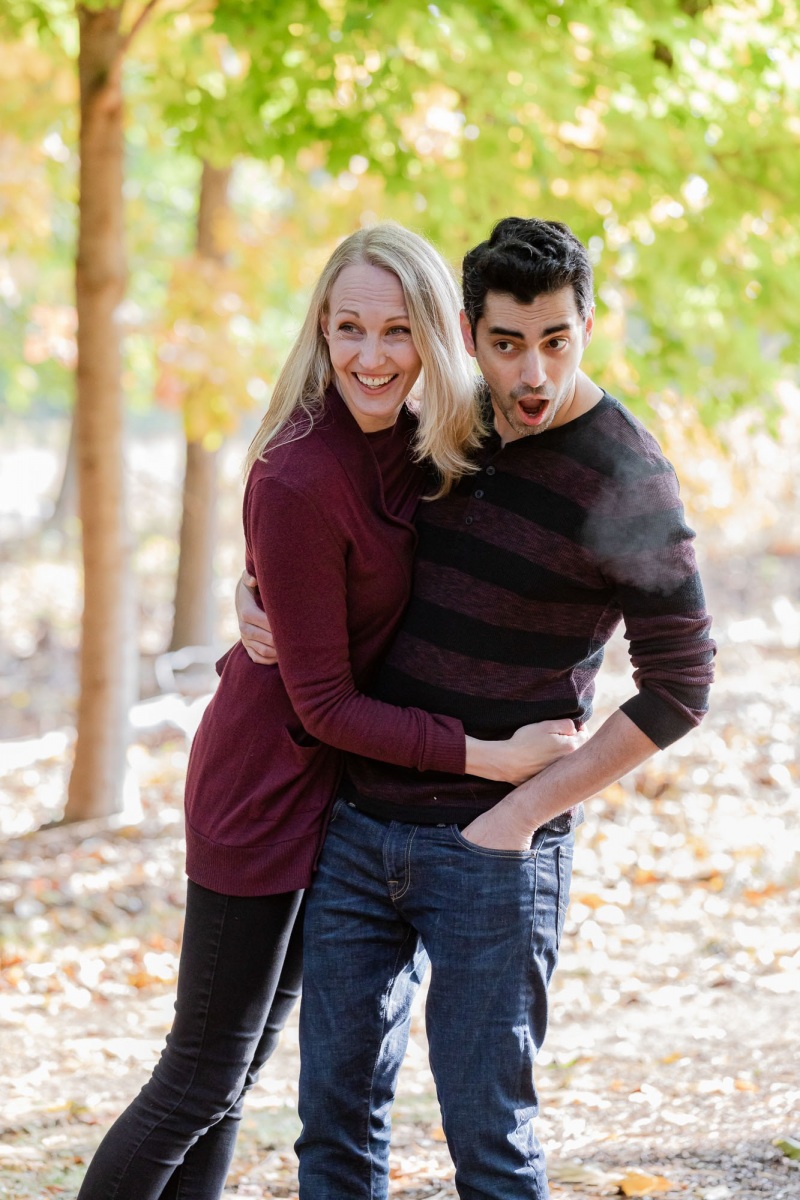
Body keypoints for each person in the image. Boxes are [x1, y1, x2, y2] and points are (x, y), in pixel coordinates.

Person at [75, 223, 583, 1200]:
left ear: (436, 336)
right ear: (318, 331)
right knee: (200, 1075)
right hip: (265, 785)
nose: (369, 355)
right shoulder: (299, 471)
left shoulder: (421, 439)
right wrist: (491, 757)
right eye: (346, 328)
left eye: (395, 331)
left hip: (341, 801)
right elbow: (323, 704)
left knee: (232, 1081)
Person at [238, 217, 716, 1199]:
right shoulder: (442, 428)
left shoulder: (624, 477)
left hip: (494, 854)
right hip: (357, 828)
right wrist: (247, 596)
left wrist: (520, 815)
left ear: (586, 325)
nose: (531, 373)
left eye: (554, 341)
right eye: (505, 344)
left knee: (488, 1144)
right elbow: (320, 534)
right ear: (465, 333)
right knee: (331, 1128)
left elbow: (680, 682)